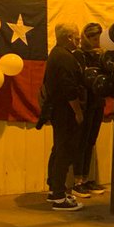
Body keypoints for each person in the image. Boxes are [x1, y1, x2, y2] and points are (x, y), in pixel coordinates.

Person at [37, 22, 86, 212]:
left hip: (59, 111)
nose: (79, 41)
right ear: (68, 38)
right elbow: (69, 89)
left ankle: (54, 188)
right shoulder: (65, 58)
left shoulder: (56, 54)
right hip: (65, 112)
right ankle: (59, 195)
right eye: (77, 37)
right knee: (65, 150)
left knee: (58, 149)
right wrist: (78, 111)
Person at [70, 22, 107, 198]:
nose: (96, 41)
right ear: (86, 38)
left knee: (91, 141)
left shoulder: (101, 55)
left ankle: (85, 177)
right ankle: (77, 180)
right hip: (86, 103)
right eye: (93, 38)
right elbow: (79, 79)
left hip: (98, 102)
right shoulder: (79, 55)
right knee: (81, 141)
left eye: (98, 38)